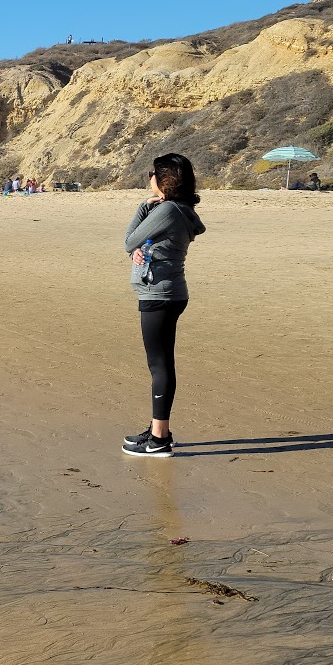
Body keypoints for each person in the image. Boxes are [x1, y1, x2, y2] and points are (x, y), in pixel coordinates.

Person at [121, 153, 206, 457]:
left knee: (159, 365)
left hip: (160, 295)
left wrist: (144, 205)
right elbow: (143, 243)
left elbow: (129, 240)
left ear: (164, 179)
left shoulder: (167, 209)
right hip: (167, 293)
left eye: (152, 173)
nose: (150, 178)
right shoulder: (175, 209)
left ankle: (159, 440)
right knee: (160, 363)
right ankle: (160, 430)